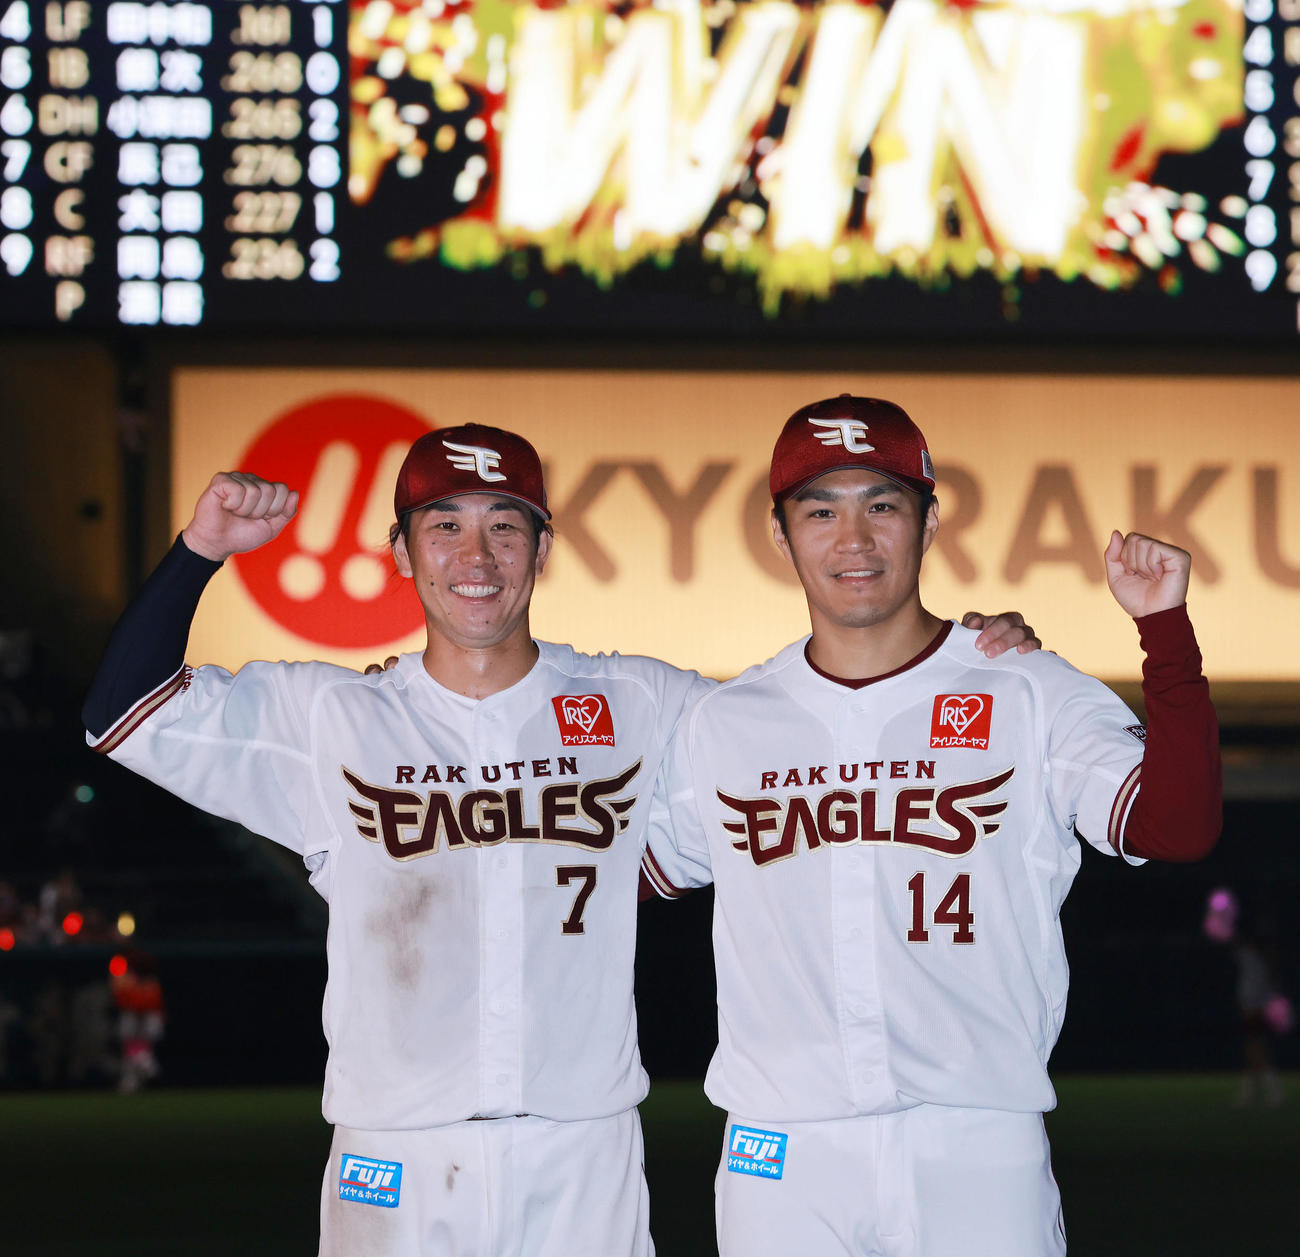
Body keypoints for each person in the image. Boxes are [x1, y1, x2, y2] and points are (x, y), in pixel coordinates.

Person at [83, 419, 1038, 1257]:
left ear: (544, 551)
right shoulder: (335, 715)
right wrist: (201, 548)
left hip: (583, 1150)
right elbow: (122, 712)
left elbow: (825, 718)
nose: (477, 555)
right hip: (395, 1152)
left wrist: (962, 654)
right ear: (403, 553)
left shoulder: (641, 702)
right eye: (444, 525)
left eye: (506, 524)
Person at [642, 394, 1221, 1257]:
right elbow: (614, 870)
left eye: (882, 505)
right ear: (778, 534)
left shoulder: (1024, 688)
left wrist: (1165, 630)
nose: (854, 539)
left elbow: (1175, 825)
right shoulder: (726, 722)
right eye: (820, 509)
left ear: (931, 518)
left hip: (976, 1135)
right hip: (783, 1151)